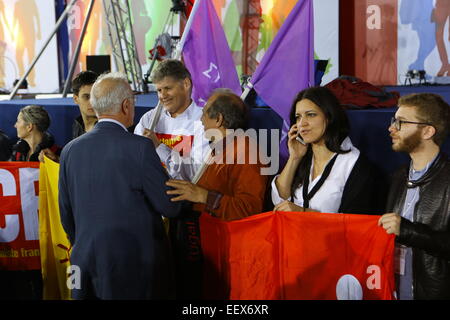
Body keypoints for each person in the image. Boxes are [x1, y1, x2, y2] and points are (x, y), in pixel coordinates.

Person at [58, 72, 182, 299]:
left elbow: (66, 214)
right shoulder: (141, 148)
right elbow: (170, 206)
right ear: (126, 106)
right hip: (134, 268)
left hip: (84, 263)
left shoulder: (69, 150)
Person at [165, 91, 268, 298]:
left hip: (229, 258)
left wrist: (203, 196)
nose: (201, 120)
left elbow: (250, 209)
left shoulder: (246, 151)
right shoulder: (222, 149)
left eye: (204, 114)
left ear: (219, 119)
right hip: (208, 249)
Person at [378, 93, 450, 300]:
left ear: (427, 131)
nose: (391, 128)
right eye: (394, 121)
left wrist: (408, 231)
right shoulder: (398, 177)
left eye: (401, 122)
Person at [272, 86, 386, 214]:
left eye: (311, 115)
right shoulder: (302, 158)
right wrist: (294, 158)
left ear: (329, 117)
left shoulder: (354, 164)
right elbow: (279, 201)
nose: (302, 123)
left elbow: (354, 223)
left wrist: (304, 213)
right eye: (298, 117)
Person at [134, 59, 209, 180]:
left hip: (184, 195)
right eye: (159, 90)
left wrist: (159, 147)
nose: (163, 96)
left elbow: (197, 174)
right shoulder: (149, 119)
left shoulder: (203, 121)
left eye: (168, 88)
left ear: (186, 84)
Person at [71, 70, 99, 139]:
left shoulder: (108, 128)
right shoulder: (77, 125)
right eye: (86, 97)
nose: (92, 102)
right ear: (75, 99)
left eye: (96, 96)